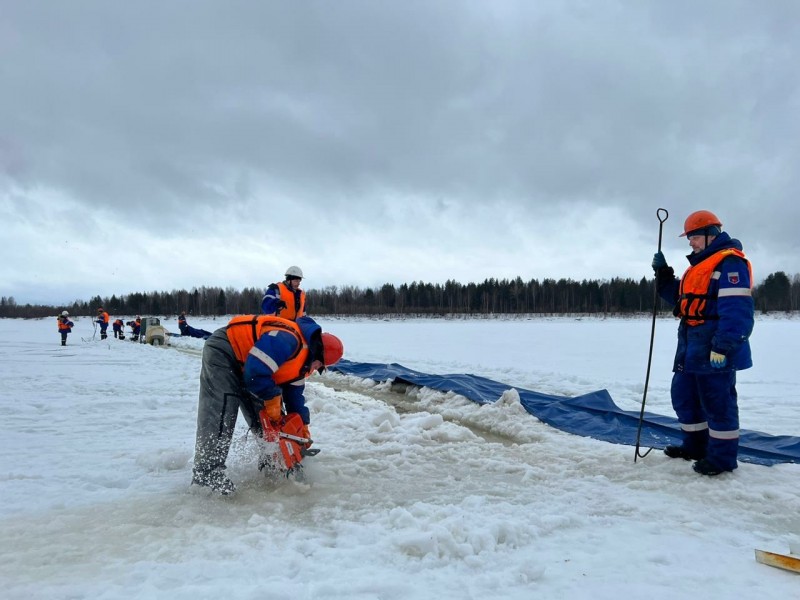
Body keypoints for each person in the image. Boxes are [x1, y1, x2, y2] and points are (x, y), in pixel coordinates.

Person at [191, 314, 344, 494]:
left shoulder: (302, 363)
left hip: (250, 367)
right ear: (318, 353)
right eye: (319, 366)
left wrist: (302, 427)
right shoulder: (288, 340)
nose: (316, 369)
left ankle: (273, 462)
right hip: (226, 351)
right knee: (222, 409)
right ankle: (206, 475)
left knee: (270, 419)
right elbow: (256, 372)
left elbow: (294, 398)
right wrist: (271, 398)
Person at [652, 210, 754, 476]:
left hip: (715, 348)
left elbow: (737, 312)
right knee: (684, 397)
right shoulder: (697, 267)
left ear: (711, 235)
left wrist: (723, 346)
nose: (691, 243)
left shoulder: (731, 264)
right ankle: (695, 447)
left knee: (718, 403)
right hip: (690, 347)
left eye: (694, 237)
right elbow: (681, 297)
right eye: (689, 238)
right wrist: (663, 274)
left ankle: (721, 459)